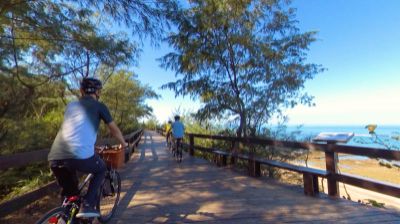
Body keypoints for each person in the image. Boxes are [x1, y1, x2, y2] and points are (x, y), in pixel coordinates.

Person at [47, 77, 128, 218]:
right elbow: (114, 130)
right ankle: (88, 204)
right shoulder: (99, 106)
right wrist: (124, 143)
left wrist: (92, 147)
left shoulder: (71, 106)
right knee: (101, 168)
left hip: (55, 157)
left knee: (71, 195)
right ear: (98, 92)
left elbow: (76, 131)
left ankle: (65, 216)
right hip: (77, 157)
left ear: (81, 91)